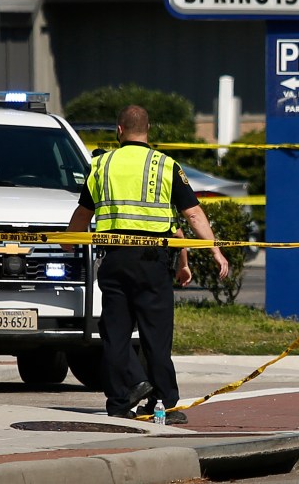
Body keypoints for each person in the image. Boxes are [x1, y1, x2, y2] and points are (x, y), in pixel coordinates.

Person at [66, 105, 228, 424]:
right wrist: (215, 251)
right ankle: (164, 403)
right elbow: (192, 214)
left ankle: (119, 401)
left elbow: (83, 213)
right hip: (153, 260)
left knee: (115, 333)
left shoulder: (101, 164)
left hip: (114, 257)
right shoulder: (165, 164)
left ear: (119, 130)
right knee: (156, 336)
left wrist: (69, 240)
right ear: (148, 129)